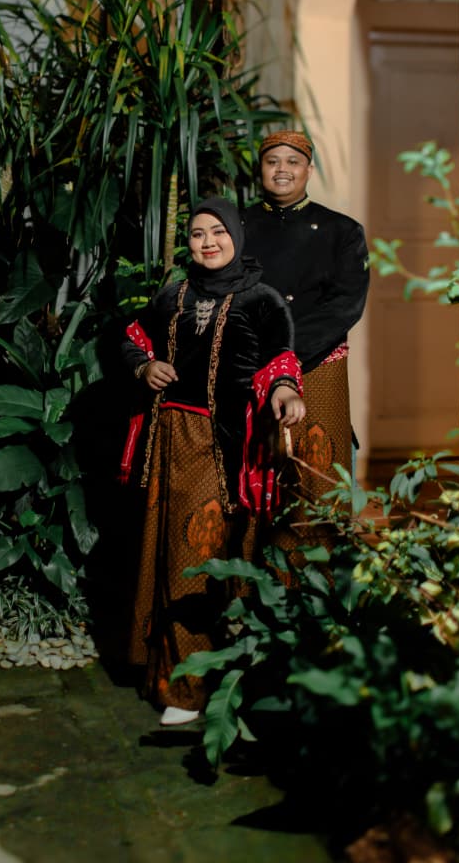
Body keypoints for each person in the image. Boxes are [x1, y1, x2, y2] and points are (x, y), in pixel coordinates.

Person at [119, 197, 305, 727]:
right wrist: (145, 367)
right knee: (180, 556)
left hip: (232, 448)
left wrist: (285, 391)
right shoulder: (173, 295)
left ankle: (237, 680)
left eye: (218, 231)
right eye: (198, 234)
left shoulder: (263, 299)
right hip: (174, 439)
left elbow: (280, 360)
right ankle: (184, 688)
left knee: (225, 558)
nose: (208, 242)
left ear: (236, 237)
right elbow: (133, 337)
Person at [241, 130, 370, 510]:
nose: (282, 169)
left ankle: (324, 548)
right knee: (254, 467)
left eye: (293, 162)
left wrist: (285, 353)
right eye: (272, 161)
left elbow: (345, 304)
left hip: (316, 361)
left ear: (308, 170)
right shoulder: (237, 227)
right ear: (260, 169)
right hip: (251, 361)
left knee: (319, 469)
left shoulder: (343, 231)